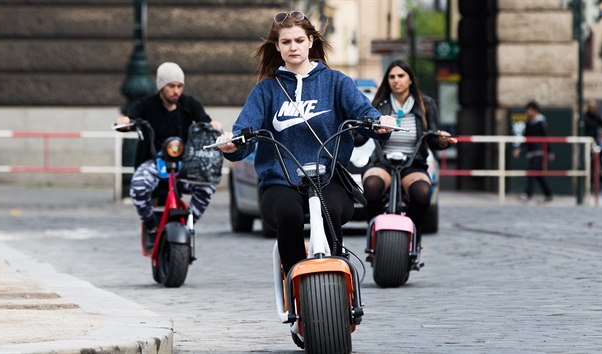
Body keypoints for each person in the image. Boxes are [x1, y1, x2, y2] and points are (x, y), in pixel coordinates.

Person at [215, 10, 396, 274]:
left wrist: (380, 123)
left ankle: (340, 282)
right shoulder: (266, 90)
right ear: (277, 46)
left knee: (331, 210)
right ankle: (295, 279)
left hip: (329, 178)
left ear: (311, 41)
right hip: (280, 182)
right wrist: (233, 144)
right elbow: (245, 130)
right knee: (289, 215)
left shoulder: (336, 82)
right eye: (286, 42)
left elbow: (364, 114)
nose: (293, 47)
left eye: (299, 40)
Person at [115, 62, 222, 251]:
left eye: (179, 86)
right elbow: (129, 118)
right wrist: (124, 121)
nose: (176, 91)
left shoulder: (189, 104)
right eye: (171, 86)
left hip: (185, 164)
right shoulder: (146, 105)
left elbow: (205, 120)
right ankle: (151, 226)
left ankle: (189, 222)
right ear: (161, 86)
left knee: (207, 186)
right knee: (138, 186)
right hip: (154, 163)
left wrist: (213, 124)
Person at [360, 59, 456, 229]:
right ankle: (374, 227)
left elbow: (433, 139)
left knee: (422, 192)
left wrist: (442, 141)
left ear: (410, 79)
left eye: (401, 75)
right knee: (371, 185)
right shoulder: (378, 104)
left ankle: (412, 231)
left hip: (413, 164)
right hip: (382, 163)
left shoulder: (425, 104)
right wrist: (352, 130)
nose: (396, 80)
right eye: (391, 77)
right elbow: (361, 138)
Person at [512, 101, 553, 203]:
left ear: (534, 110)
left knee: (531, 172)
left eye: (529, 110)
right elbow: (525, 138)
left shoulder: (540, 123)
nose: (527, 112)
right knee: (539, 176)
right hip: (531, 152)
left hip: (538, 152)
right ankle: (548, 194)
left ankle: (528, 195)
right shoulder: (529, 123)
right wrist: (518, 148)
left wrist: (550, 151)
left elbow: (545, 138)